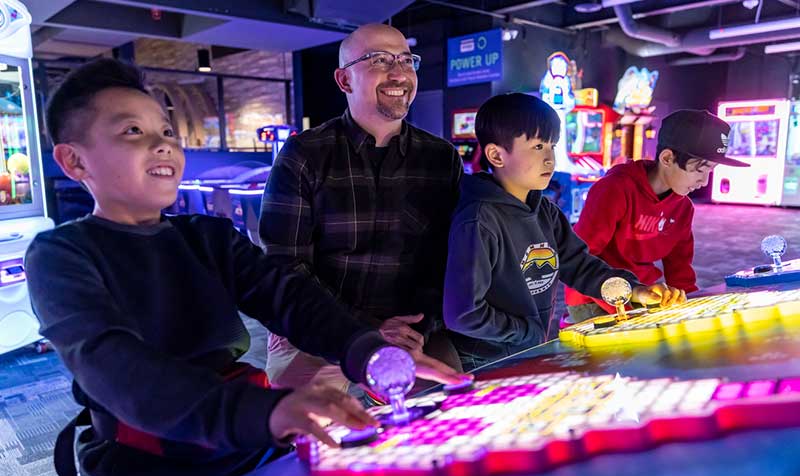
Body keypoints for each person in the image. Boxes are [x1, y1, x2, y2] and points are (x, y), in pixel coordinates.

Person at [27, 58, 466, 476]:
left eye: (165, 132)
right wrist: (271, 411)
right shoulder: (60, 255)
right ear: (74, 160)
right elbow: (118, 370)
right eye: (132, 132)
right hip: (148, 467)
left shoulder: (205, 236)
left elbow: (289, 298)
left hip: (246, 443)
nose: (162, 146)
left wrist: (368, 352)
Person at [260, 24, 463, 391]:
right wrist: (367, 327)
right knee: (302, 431)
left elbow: (444, 261)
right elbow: (285, 266)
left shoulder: (440, 159)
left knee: (452, 412)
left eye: (406, 60)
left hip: (410, 331)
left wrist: (415, 328)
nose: (399, 73)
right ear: (344, 80)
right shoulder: (305, 155)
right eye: (380, 60)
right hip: (320, 328)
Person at [443, 93, 685, 371]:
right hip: (484, 358)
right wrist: (528, 332)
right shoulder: (478, 220)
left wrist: (634, 291)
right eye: (537, 146)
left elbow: (581, 267)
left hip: (527, 347)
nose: (549, 159)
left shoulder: (546, 211)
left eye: (552, 146)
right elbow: (464, 314)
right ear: (497, 155)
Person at [564, 109, 749, 322]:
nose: (704, 182)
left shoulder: (683, 208)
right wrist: (627, 300)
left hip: (647, 294)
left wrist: (692, 304)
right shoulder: (615, 189)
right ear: (668, 158)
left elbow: (680, 271)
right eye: (700, 170)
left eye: (711, 171)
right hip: (594, 297)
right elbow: (581, 256)